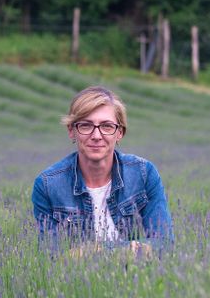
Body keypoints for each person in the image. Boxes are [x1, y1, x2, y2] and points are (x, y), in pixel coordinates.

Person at [31, 85, 172, 254]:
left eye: (106, 126)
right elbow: (51, 255)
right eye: (85, 125)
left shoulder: (144, 174)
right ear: (71, 131)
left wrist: (93, 252)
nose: (96, 136)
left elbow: (164, 244)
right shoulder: (47, 185)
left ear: (119, 133)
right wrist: (131, 250)